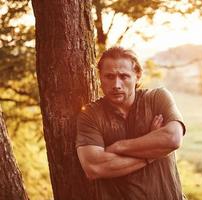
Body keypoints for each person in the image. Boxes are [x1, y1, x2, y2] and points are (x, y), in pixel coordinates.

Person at [76, 46, 186, 200]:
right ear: (100, 77)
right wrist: (153, 152)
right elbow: (94, 167)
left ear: (137, 76)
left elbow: (173, 139)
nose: (116, 84)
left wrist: (118, 147)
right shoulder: (90, 115)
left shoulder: (157, 99)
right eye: (109, 76)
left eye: (124, 76)